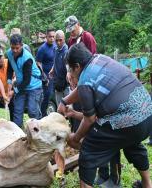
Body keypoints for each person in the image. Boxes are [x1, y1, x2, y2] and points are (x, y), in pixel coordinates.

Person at [58, 43, 152, 188]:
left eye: (70, 69)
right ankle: (147, 185)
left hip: (126, 121)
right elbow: (86, 89)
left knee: (88, 151)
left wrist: (75, 138)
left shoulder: (84, 80)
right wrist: (65, 101)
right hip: (146, 115)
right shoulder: (100, 59)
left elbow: (90, 119)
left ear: (76, 66)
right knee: (132, 144)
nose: (70, 73)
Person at [65, 16, 120, 186]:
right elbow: (71, 63)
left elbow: (92, 62)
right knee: (94, 131)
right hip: (81, 85)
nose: (72, 32)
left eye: (73, 28)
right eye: (69, 30)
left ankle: (114, 176)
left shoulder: (88, 37)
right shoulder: (71, 40)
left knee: (106, 131)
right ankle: (102, 173)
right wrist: (71, 75)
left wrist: (81, 80)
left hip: (93, 86)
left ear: (78, 25)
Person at [7, 34, 43, 127]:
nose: (14, 50)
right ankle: (18, 134)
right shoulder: (9, 53)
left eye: (17, 48)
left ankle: (38, 129)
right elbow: (10, 69)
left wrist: (13, 91)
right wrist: (9, 83)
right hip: (20, 85)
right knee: (17, 111)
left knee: (32, 111)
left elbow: (26, 80)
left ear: (22, 45)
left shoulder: (27, 58)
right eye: (12, 48)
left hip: (33, 86)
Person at [36, 29, 56, 117]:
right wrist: (44, 76)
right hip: (47, 78)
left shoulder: (56, 45)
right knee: (47, 97)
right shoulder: (42, 49)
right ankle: (42, 116)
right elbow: (38, 63)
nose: (52, 38)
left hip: (57, 76)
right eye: (50, 36)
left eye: (53, 36)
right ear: (46, 37)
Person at [49, 30, 69, 105]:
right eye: (56, 40)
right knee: (60, 108)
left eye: (60, 40)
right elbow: (55, 60)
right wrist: (52, 69)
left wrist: (69, 74)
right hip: (57, 82)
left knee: (68, 108)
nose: (58, 42)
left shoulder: (67, 51)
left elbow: (68, 65)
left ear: (64, 39)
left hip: (66, 84)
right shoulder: (55, 49)